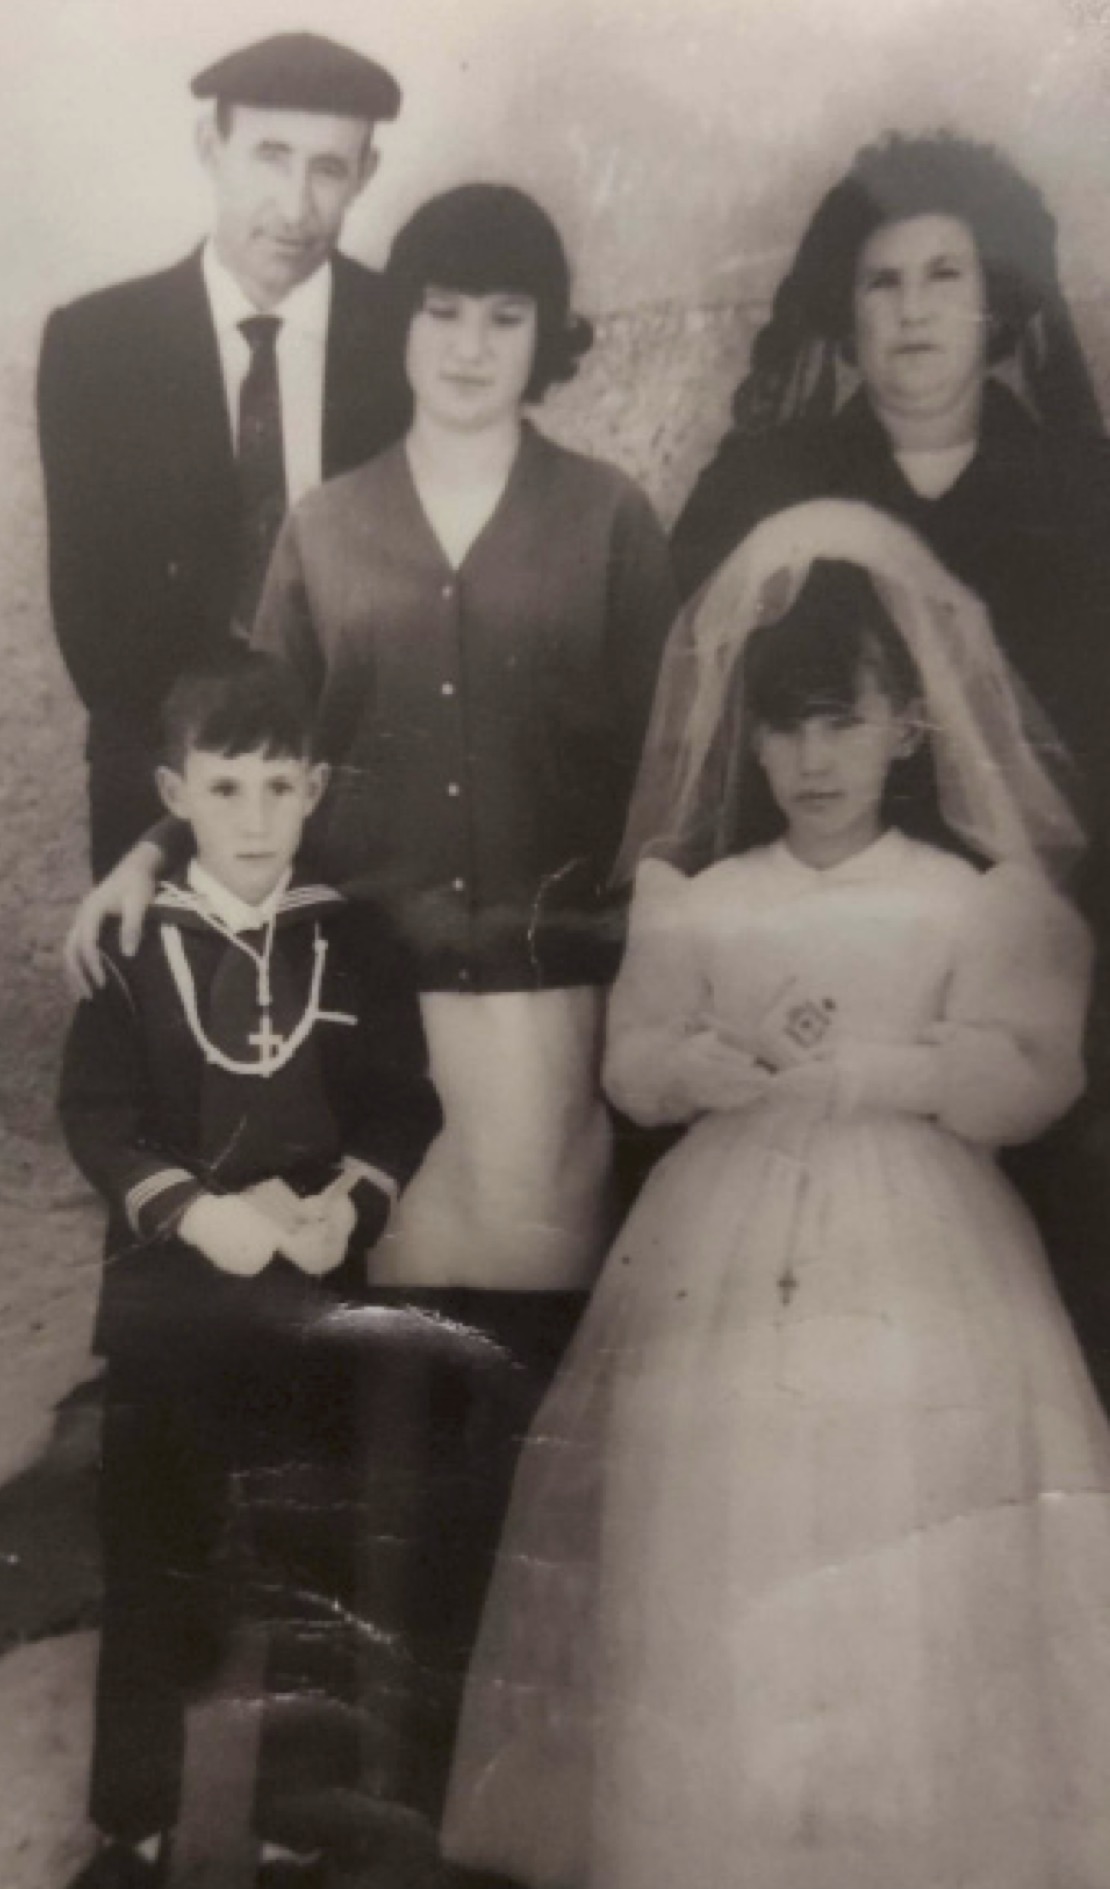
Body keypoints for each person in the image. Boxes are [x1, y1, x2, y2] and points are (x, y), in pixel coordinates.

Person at [67, 183, 678, 1827]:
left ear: (545, 336)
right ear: (399, 326)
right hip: (363, 1028)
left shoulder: (609, 519)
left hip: (550, 1023)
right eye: (441, 311)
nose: (470, 347)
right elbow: (245, 734)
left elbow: (664, 763)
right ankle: (356, 1795)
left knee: (524, 1401)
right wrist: (144, 855)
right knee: (364, 1415)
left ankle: (513, 1792)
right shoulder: (326, 527)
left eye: (505, 316)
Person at [442, 502, 1110, 1889]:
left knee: (899, 1501)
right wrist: (694, 1063)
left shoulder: (961, 898)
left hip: (918, 1228)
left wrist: (894, 1068)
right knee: (722, 1500)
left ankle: (901, 1835)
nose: (815, 760)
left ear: (907, 729)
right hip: (727, 1231)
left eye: (844, 724)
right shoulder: (710, 897)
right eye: (787, 728)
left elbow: (1028, 1073)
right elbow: (633, 1064)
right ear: (746, 738)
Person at [670, 128, 1110, 1395]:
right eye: (882, 281)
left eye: (944, 276)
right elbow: (705, 719)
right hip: (823, 936)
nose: (913, 311)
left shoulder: (1080, 488)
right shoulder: (768, 484)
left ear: (998, 302)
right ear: (843, 309)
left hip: (1038, 943)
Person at [59, 650, 441, 1888]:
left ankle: (300, 1826)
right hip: (171, 1306)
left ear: (315, 788)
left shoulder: (356, 941)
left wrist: (354, 1201)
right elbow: (97, 1112)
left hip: (309, 1303)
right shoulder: (132, 941)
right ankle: (133, 1827)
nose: (257, 816)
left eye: (282, 786)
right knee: (154, 1559)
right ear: (177, 794)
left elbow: (402, 1103)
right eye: (227, 788)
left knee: (310, 1561)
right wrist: (187, 1209)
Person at [38, 31, 409, 877]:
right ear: (211, 147)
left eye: (329, 168)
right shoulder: (98, 346)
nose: (296, 206)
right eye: (270, 157)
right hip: (168, 786)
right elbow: (94, 624)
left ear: (367, 174)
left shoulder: (404, 334)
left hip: (367, 780)